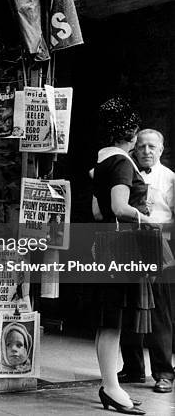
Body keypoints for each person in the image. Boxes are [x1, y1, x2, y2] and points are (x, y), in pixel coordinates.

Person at [91, 97, 152, 415]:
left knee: (109, 320)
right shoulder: (122, 163)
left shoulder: (101, 162)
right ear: (131, 132)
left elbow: (97, 210)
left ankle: (111, 384)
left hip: (107, 246)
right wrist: (146, 218)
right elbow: (117, 208)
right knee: (113, 321)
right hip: (122, 248)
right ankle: (111, 388)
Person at [118, 128, 174, 394]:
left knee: (160, 312)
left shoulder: (171, 179)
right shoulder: (126, 172)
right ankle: (132, 368)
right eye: (141, 146)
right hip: (130, 244)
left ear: (161, 150)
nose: (147, 151)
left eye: (152, 147)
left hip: (159, 246)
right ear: (134, 148)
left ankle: (164, 372)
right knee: (129, 308)